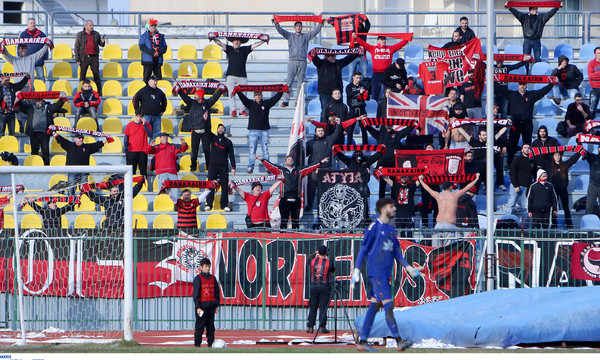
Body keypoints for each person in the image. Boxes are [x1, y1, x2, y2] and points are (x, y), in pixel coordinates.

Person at [352, 198, 422, 352]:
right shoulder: (373, 227)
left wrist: (408, 267)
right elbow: (363, 249)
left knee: (374, 306)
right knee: (389, 305)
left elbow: (396, 252)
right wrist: (356, 269)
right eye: (392, 206)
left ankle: (363, 341)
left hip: (384, 275)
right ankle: (399, 341)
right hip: (376, 274)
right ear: (383, 209)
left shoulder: (391, 230)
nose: (395, 208)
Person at [494, 81, 553, 167]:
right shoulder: (512, 94)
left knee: (527, 144)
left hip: (527, 124)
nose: (522, 86)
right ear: (518, 86)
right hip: (515, 123)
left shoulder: (531, 95)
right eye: (521, 84)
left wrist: (551, 84)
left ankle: (527, 162)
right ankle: (509, 163)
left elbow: (542, 91)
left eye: (524, 84)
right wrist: (494, 80)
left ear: (526, 86)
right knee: (512, 144)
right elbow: (500, 89)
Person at [260, 155, 324, 229]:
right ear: (285, 162)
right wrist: (262, 160)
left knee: (295, 222)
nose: (290, 160)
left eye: (291, 159)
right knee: (284, 222)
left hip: (296, 200)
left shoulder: (299, 171)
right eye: (288, 159)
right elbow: (271, 166)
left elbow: (310, 167)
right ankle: (283, 238)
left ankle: (295, 238)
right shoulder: (281, 171)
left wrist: (320, 162)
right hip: (284, 200)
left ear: (293, 162)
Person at [418, 173, 480, 247]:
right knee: (447, 250)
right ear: (450, 187)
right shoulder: (454, 196)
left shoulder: (439, 196)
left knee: (436, 249)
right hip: (449, 224)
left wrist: (421, 180)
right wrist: (476, 178)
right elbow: (467, 188)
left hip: (439, 225)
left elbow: (427, 188)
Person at [273, 18, 324, 107]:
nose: (298, 27)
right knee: (289, 82)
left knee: (300, 83)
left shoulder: (306, 36)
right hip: (292, 61)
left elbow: (315, 31)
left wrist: (320, 24)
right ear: (294, 27)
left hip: (302, 61)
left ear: (301, 28)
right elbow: (281, 31)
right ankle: (285, 101)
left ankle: (298, 101)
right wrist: (276, 24)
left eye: (300, 26)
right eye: (297, 26)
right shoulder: (290, 35)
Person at [210, 36, 266, 117]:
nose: (236, 42)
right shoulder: (229, 48)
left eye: (238, 41)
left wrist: (263, 40)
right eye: (235, 40)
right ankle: (233, 110)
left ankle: (242, 110)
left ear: (241, 42)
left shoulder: (245, 49)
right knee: (231, 94)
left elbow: (255, 45)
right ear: (232, 42)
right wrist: (213, 38)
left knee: (243, 94)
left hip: (242, 76)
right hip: (231, 75)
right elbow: (220, 43)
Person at [177, 87, 224, 172]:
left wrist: (221, 90)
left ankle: (208, 166)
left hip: (205, 131)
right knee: (194, 150)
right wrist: (179, 90)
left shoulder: (207, 103)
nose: (194, 96)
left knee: (207, 150)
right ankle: (193, 165)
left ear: (200, 96)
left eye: (196, 94)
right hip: (195, 130)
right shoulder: (192, 103)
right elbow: (185, 97)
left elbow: (215, 97)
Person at [237, 90, 284, 173]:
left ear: (262, 96)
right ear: (254, 96)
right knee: (252, 150)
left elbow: (275, 99)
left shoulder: (266, 104)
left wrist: (281, 91)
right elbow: (243, 98)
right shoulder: (250, 104)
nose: (258, 96)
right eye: (256, 95)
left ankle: (268, 166)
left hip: (264, 130)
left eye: (259, 95)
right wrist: (238, 91)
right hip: (253, 130)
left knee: (265, 150)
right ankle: (250, 167)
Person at [51, 127, 107, 194]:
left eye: (82, 138)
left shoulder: (87, 147)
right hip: (72, 171)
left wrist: (107, 139)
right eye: (79, 138)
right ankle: (71, 203)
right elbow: (61, 140)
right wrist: (53, 132)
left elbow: (97, 145)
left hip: (83, 172)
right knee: (71, 190)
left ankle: (83, 203)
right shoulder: (70, 146)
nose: (81, 139)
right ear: (75, 139)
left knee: (84, 191)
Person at [532, 151, 581, 228]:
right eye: (555, 155)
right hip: (553, 190)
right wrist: (536, 151)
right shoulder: (549, 165)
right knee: (554, 208)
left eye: (559, 155)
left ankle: (569, 224)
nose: (557, 157)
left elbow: (573, 159)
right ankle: (554, 225)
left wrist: (579, 150)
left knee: (566, 208)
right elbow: (539, 159)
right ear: (553, 156)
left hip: (563, 189)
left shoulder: (564, 165)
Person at [365, 122, 414, 198]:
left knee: (394, 183)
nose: (389, 126)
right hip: (382, 162)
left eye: (391, 124)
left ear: (393, 125)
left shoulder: (397, 134)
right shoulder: (379, 135)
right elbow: (368, 127)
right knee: (382, 184)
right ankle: (381, 203)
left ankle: (393, 203)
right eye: (388, 124)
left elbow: (408, 129)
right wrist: (363, 120)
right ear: (385, 125)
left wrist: (412, 122)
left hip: (393, 162)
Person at [354, 34, 409, 101]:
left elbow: (399, 45)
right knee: (375, 93)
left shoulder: (390, 49)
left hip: (387, 75)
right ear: (378, 41)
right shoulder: (373, 49)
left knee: (388, 94)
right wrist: (356, 38)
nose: (383, 41)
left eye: (384, 39)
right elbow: (364, 44)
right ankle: (375, 108)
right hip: (377, 74)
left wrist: (407, 39)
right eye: (382, 39)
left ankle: (387, 108)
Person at [20, 91, 67, 165]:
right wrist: (19, 98)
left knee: (45, 151)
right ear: (35, 100)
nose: (39, 101)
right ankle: (34, 166)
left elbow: (57, 106)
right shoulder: (30, 107)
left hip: (45, 133)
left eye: (41, 99)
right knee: (34, 151)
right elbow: (22, 107)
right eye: (38, 99)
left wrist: (62, 98)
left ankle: (46, 167)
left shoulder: (48, 106)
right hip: (34, 133)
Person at [305, 119, 342, 211]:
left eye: (322, 131)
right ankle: (309, 205)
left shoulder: (329, 140)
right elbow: (304, 154)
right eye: (319, 131)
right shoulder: (310, 143)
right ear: (315, 132)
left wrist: (338, 124)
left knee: (326, 189)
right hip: (313, 169)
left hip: (326, 169)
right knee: (311, 189)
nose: (321, 132)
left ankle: (326, 206)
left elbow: (337, 134)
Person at [145, 132, 188, 198]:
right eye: (163, 136)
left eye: (166, 136)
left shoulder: (173, 146)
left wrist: (184, 144)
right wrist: (150, 146)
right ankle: (163, 206)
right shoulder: (156, 147)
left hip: (172, 172)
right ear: (160, 138)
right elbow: (147, 151)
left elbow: (183, 148)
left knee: (176, 192)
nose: (165, 138)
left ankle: (176, 207)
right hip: (161, 173)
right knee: (162, 193)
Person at [205, 124, 235, 212]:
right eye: (219, 128)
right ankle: (209, 204)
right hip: (213, 165)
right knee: (211, 184)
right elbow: (207, 130)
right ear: (217, 130)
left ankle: (224, 204)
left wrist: (233, 167)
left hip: (223, 166)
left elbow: (231, 155)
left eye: (222, 128)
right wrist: (206, 120)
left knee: (225, 185)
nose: (221, 129)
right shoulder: (213, 138)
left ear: (225, 130)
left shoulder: (228, 142)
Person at [306, 245, 335, 334]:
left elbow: (308, 258)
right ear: (326, 253)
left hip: (314, 286)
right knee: (323, 307)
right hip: (325, 287)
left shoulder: (312, 260)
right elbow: (332, 270)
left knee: (313, 307)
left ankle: (310, 327)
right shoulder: (329, 263)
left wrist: (315, 253)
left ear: (318, 252)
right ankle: (322, 327)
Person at [192, 257, 221, 348]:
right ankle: (197, 345)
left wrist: (216, 305)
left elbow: (216, 292)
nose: (207, 268)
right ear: (201, 267)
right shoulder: (198, 278)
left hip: (211, 307)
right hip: (202, 307)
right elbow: (196, 294)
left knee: (211, 327)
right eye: (205, 266)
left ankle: (210, 345)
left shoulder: (213, 278)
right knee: (200, 327)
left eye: (209, 266)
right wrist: (198, 307)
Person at [74, 20, 105, 95]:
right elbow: (76, 47)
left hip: (94, 57)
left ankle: (98, 91)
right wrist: (77, 59)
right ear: (86, 26)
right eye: (90, 25)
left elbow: (101, 45)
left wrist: (103, 41)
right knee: (82, 74)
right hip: (84, 57)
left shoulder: (96, 34)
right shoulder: (80, 35)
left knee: (96, 74)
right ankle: (81, 91)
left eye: (92, 25)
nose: (92, 27)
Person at [506, 143, 536, 222]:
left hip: (527, 187)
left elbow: (535, 174)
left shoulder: (532, 161)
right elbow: (512, 173)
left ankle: (525, 226)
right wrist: (516, 185)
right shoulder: (517, 160)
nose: (527, 149)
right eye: (525, 148)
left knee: (525, 207)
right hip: (516, 186)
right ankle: (505, 222)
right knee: (511, 205)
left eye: (528, 148)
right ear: (522, 149)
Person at [133, 75, 167, 140]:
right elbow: (135, 99)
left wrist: (163, 110)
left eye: (156, 81)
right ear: (149, 81)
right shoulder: (143, 91)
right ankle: (145, 149)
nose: (155, 83)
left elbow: (164, 100)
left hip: (157, 116)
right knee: (144, 133)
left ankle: (154, 148)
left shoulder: (159, 92)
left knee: (157, 134)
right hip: (146, 116)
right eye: (154, 81)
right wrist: (137, 111)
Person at [124, 108, 152, 177]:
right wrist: (125, 149)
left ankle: (144, 186)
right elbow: (126, 138)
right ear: (135, 116)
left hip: (143, 151)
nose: (139, 119)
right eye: (137, 116)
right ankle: (131, 187)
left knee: (143, 172)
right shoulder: (129, 125)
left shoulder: (146, 124)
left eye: (141, 117)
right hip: (132, 151)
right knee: (130, 173)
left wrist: (144, 124)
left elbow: (150, 134)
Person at [139, 18, 167, 83]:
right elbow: (142, 47)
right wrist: (152, 53)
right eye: (152, 25)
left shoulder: (161, 36)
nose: (153, 27)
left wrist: (158, 52)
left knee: (158, 79)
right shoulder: (144, 36)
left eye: (154, 25)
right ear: (148, 27)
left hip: (157, 60)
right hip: (148, 60)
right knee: (146, 79)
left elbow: (164, 47)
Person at [345, 72, 370, 145]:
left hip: (362, 109)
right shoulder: (349, 86)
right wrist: (358, 91)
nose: (358, 80)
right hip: (353, 109)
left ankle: (365, 145)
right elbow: (349, 94)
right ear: (353, 77)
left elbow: (367, 99)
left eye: (359, 78)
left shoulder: (363, 85)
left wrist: (367, 94)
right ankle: (349, 145)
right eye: (357, 78)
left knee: (364, 128)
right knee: (350, 129)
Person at [583, 147, 600, 215]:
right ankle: (588, 223)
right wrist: (578, 141)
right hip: (593, 185)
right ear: (598, 149)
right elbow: (583, 152)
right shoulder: (593, 157)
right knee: (589, 207)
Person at [587, 46, 600, 115]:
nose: (599, 54)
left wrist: (596, 74)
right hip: (594, 88)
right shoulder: (591, 63)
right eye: (598, 53)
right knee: (592, 109)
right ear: (595, 54)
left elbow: (594, 75)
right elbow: (591, 76)